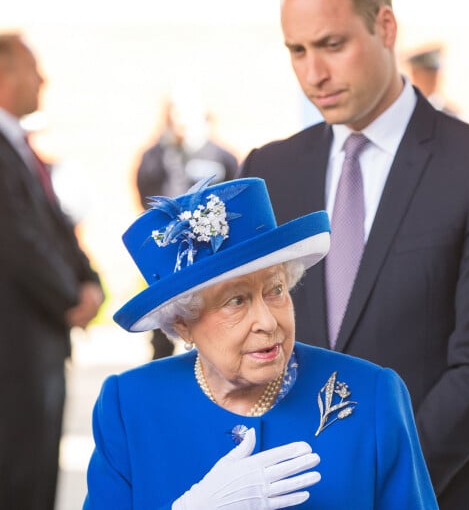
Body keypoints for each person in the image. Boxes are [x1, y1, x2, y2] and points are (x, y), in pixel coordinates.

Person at [238, 0, 469, 510]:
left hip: (436, 489)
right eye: (296, 51)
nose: (313, 73)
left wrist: (379, 481)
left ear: (386, 25)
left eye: (332, 45)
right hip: (288, 490)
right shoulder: (267, 171)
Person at [84, 177, 437, 509]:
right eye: (235, 301)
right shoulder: (130, 405)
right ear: (183, 325)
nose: (268, 322)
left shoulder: (371, 394)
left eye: (276, 290)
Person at [0, 33, 105, 509]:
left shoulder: (22, 148)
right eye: (32, 69)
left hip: (38, 346)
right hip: (14, 352)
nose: (42, 79)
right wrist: (70, 299)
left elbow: (56, 227)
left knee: (39, 472)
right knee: (19, 477)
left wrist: (91, 282)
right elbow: (18, 241)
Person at [136, 87, 238, 359]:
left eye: (187, 112)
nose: (181, 119)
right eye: (175, 112)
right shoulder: (155, 157)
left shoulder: (220, 156)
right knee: (164, 322)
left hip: (212, 253)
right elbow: (144, 196)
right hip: (169, 252)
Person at [404, 45, 459, 115]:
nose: (433, 78)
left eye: (435, 73)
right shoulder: (406, 110)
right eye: (427, 73)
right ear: (415, 74)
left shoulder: (450, 114)